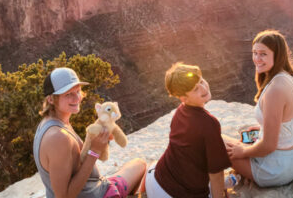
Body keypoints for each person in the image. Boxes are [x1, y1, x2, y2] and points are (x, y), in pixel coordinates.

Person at [33, 67, 146, 198]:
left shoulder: (50, 123)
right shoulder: (58, 137)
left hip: (94, 187)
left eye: (78, 91)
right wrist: (95, 151)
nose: (77, 98)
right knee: (142, 166)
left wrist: (96, 142)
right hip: (97, 194)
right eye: (68, 94)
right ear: (51, 99)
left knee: (139, 164)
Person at [224, 30, 293, 187]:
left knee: (215, 142)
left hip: (278, 169)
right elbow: (287, 121)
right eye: (255, 53)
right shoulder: (290, 78)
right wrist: (263, 127)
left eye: (263, 54)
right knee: (246, 133)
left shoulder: (275, 89)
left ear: (277, 55)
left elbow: (269, 146)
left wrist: (243, 151)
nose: (257, 59)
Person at [145, 62, 231, 198]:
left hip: (155, 181)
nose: (203, 88)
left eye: (202, 81)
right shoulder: (209, 123)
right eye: (196, 89)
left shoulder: (181, 111)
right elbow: (216, 173)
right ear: (184, 98)